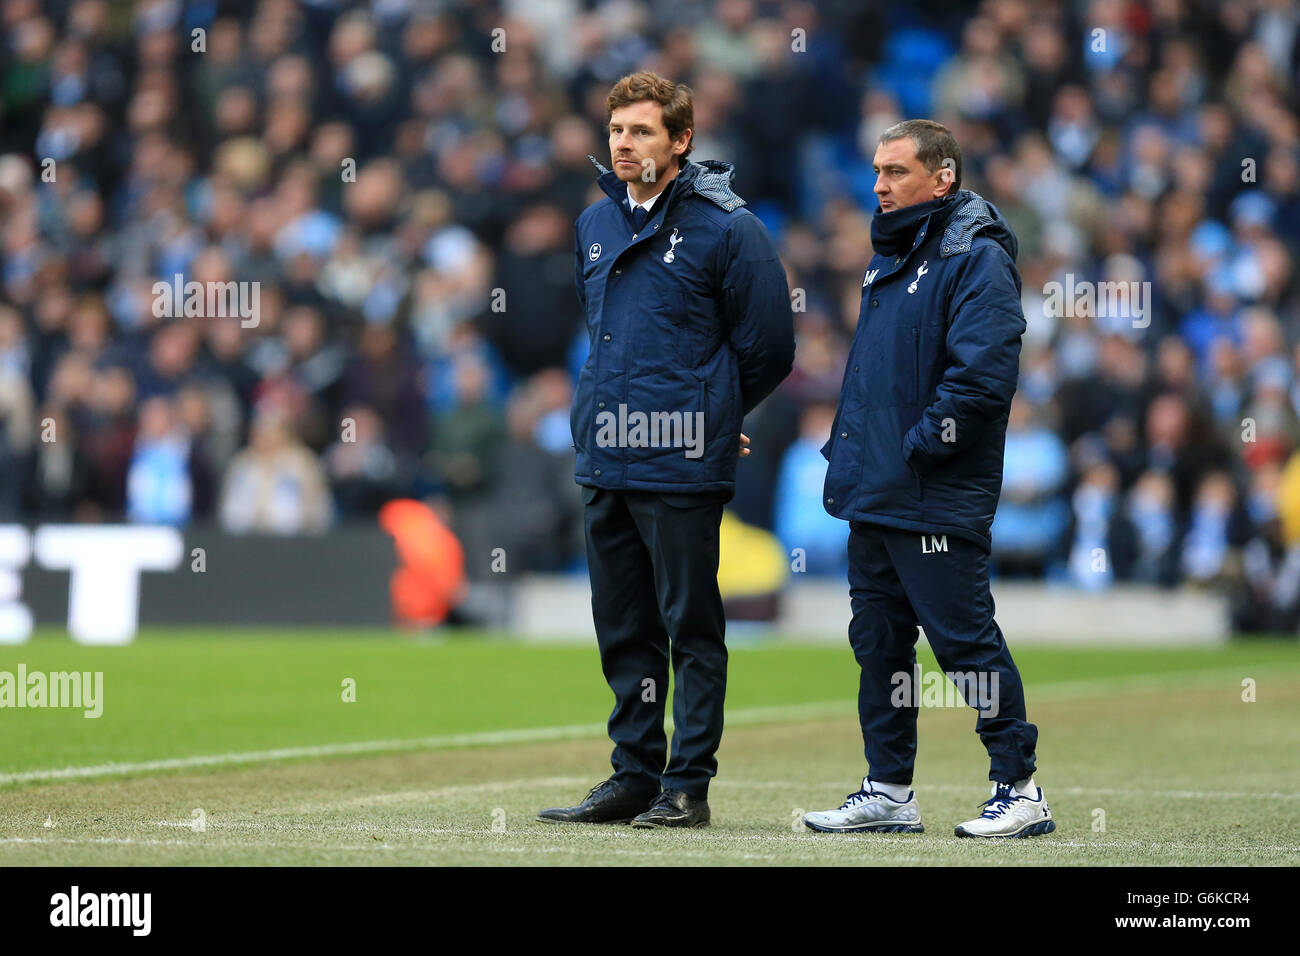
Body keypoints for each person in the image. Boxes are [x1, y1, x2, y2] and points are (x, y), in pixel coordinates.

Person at [537, 72, 794, 829]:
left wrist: (715, 411)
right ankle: (633, 774)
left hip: (682, 456)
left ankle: (689, 783)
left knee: (691, 623)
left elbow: (772, 346)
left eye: (643, 131)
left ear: (680, 140)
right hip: (606, 452)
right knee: (622, 624)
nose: (625, 144)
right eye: (617, 131)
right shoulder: (594, 224)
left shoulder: (729, 228)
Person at [802, 120, 1054, 838]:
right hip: (877, 489)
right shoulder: (894, 255)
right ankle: (889, 790)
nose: (878, 186)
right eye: (876, 172)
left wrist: (917, 449)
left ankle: (1020, 787)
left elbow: (981, 378)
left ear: (942, 177)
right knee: (879, 644)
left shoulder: (974, 256)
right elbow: (873, 381)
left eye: (895, 172)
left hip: (932, 489)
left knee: (963, 644)